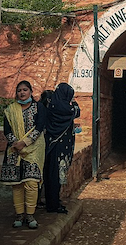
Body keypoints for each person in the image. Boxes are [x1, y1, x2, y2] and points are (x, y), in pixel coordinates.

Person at [0, 80, 46, 229]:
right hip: (14, 151)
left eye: (25, 90)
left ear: (31, 92)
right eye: (19, 90)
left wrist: (24, 142)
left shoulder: (39, 107)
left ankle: (30, 215)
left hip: (34, 149)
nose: (22, 92)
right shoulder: (10, 110)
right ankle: (19, 214)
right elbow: (7, 130)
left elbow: (39, 127)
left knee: (31, 182)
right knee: (17, 184)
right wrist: (16, 144)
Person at [43, 82, 80, 214]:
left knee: (49, 175)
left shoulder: (50, 106)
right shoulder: (67, 108)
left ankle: (50, 202)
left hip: (50, 146)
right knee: (57, 176)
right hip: (61, 149)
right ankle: (54, 204)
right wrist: (74, 103)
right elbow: (77, 112)